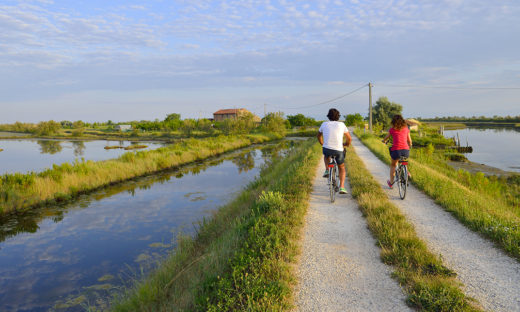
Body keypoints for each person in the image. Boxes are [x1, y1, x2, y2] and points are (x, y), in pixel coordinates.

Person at [317, 108, 352, 194]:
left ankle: (326, 169)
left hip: (327, 149)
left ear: (328, 116)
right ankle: (342, 187)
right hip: (338, 150)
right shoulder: (342, 125)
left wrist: (322, 143)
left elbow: (318, 136)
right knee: (342, 167)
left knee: (326, 156)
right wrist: (346, 144)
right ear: (338, 117)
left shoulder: (324, 124)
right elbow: (349, 138)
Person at [382, 114, 412, 188]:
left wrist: (383, 140)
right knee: (403, 160)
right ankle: (406, 172)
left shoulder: (392, 129)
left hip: (396, 151)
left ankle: (391, 183)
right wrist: (410, 145)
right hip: (405, 150)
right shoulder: (406, 128)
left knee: (393, 165)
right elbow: (409, 140)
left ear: (393, 121)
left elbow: (386, 137)